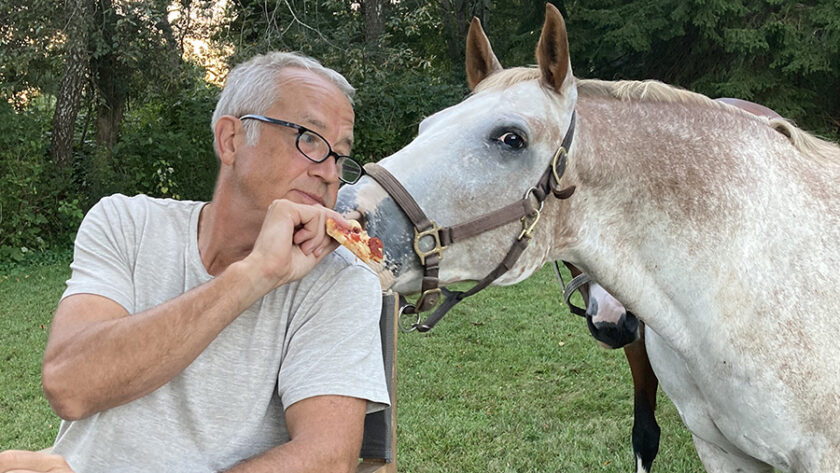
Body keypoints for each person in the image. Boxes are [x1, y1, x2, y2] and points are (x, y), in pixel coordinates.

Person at [0, 51, 389, 473]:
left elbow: (326, 459)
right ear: (231, 140)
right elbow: (70, 386)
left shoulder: (338, 281)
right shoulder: (128, 224)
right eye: (309, 138)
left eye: (339, 154)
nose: (330, 173)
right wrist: (252, 275)